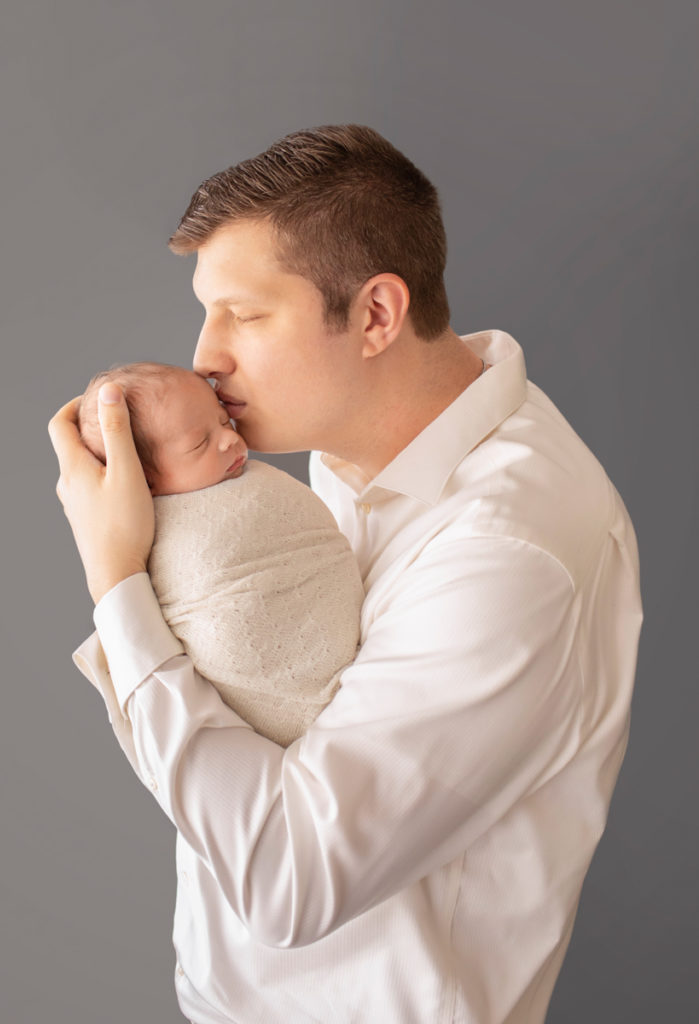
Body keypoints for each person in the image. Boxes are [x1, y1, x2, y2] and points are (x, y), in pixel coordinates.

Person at [49, 125, 643, 1024]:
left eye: (245, 314)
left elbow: (292, 880)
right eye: (208, 311)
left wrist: (117, 584)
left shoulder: (505, 552)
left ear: (374, 314)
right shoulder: (348, 445)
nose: (206, 354)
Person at [76, 361, 363, 746]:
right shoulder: (160, 534)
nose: (229, 440)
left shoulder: (269, 482)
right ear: (142, 481)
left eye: (224, 423)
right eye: (199, 443)